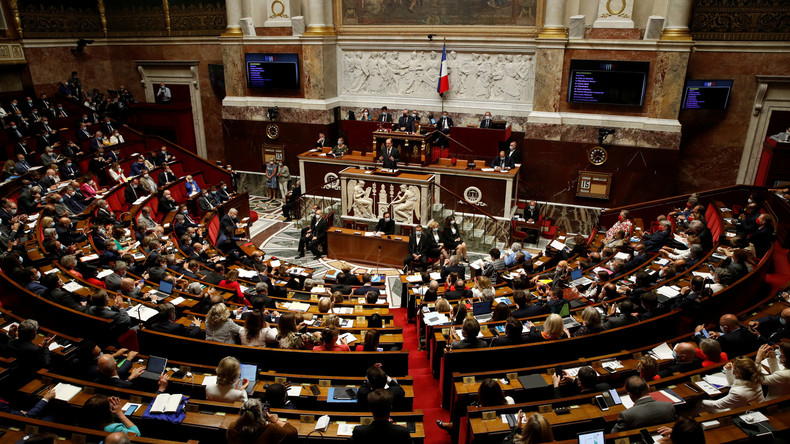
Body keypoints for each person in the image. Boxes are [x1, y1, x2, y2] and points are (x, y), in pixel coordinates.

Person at [611, 376, 676, 433]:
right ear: (648, 388)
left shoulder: (626, 415)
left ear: (629, 394)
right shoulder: (669, 406)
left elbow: (614, 434)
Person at [226, 398, 297, 444]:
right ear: (260, 414)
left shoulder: (232, 428)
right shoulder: (270, 429)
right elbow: (293, 432)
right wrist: (276, 421)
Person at [694, 313, 759, 358]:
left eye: (721, 325)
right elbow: (735, 335)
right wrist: (720, 334)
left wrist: (697, 333)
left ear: (725, 327)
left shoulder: (724, 339)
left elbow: (708, 347)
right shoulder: (748, 330)